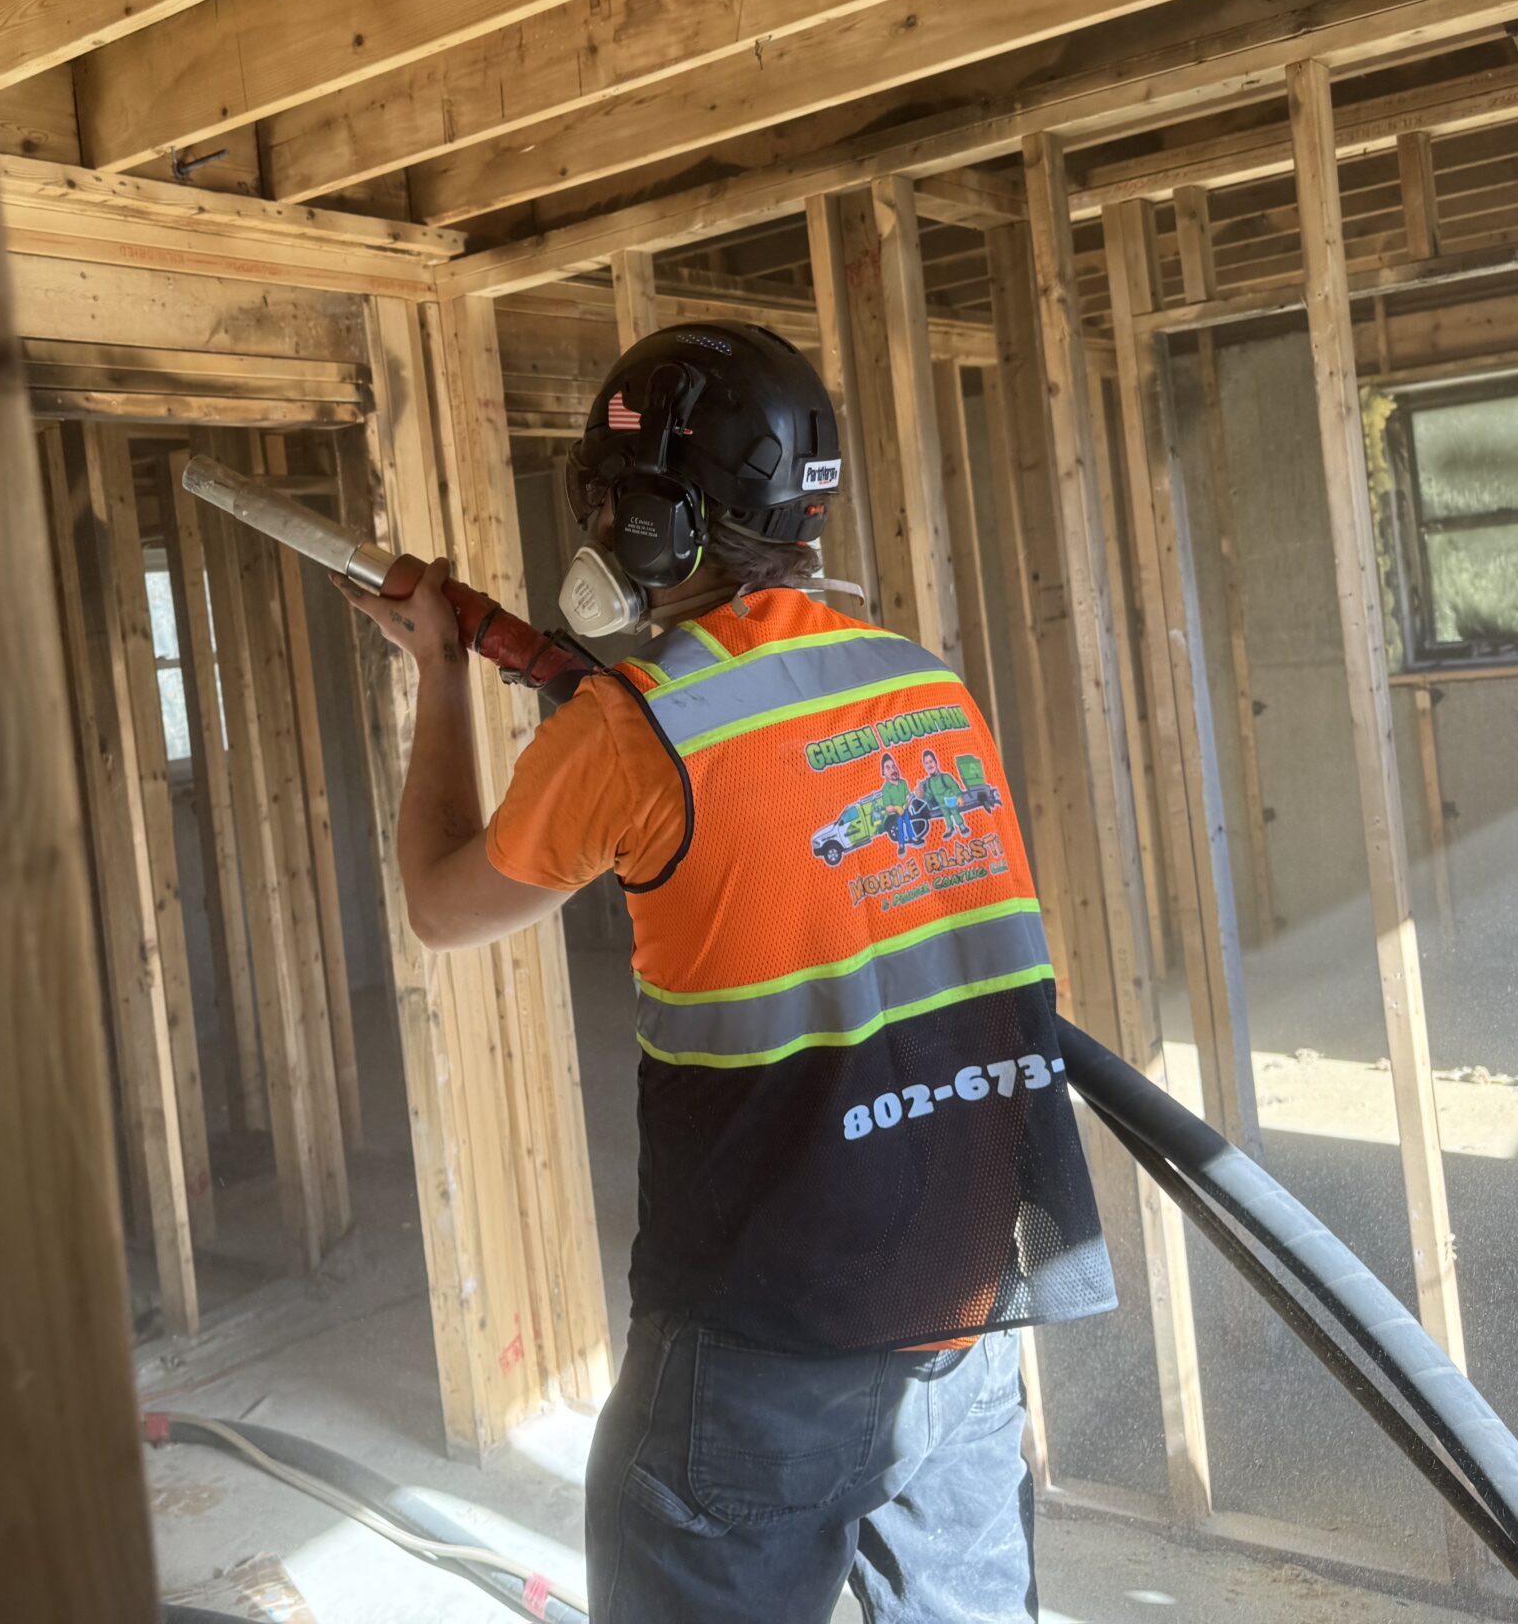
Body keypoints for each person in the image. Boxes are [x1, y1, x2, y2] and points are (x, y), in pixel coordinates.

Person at [337, 321, 1114, 1624]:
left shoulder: (636, 728)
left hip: (766, 1339)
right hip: (962, 1326)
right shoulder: (925, 690)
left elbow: (441, 907)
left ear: (650, 524)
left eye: (602, 501)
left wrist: (437, 674)